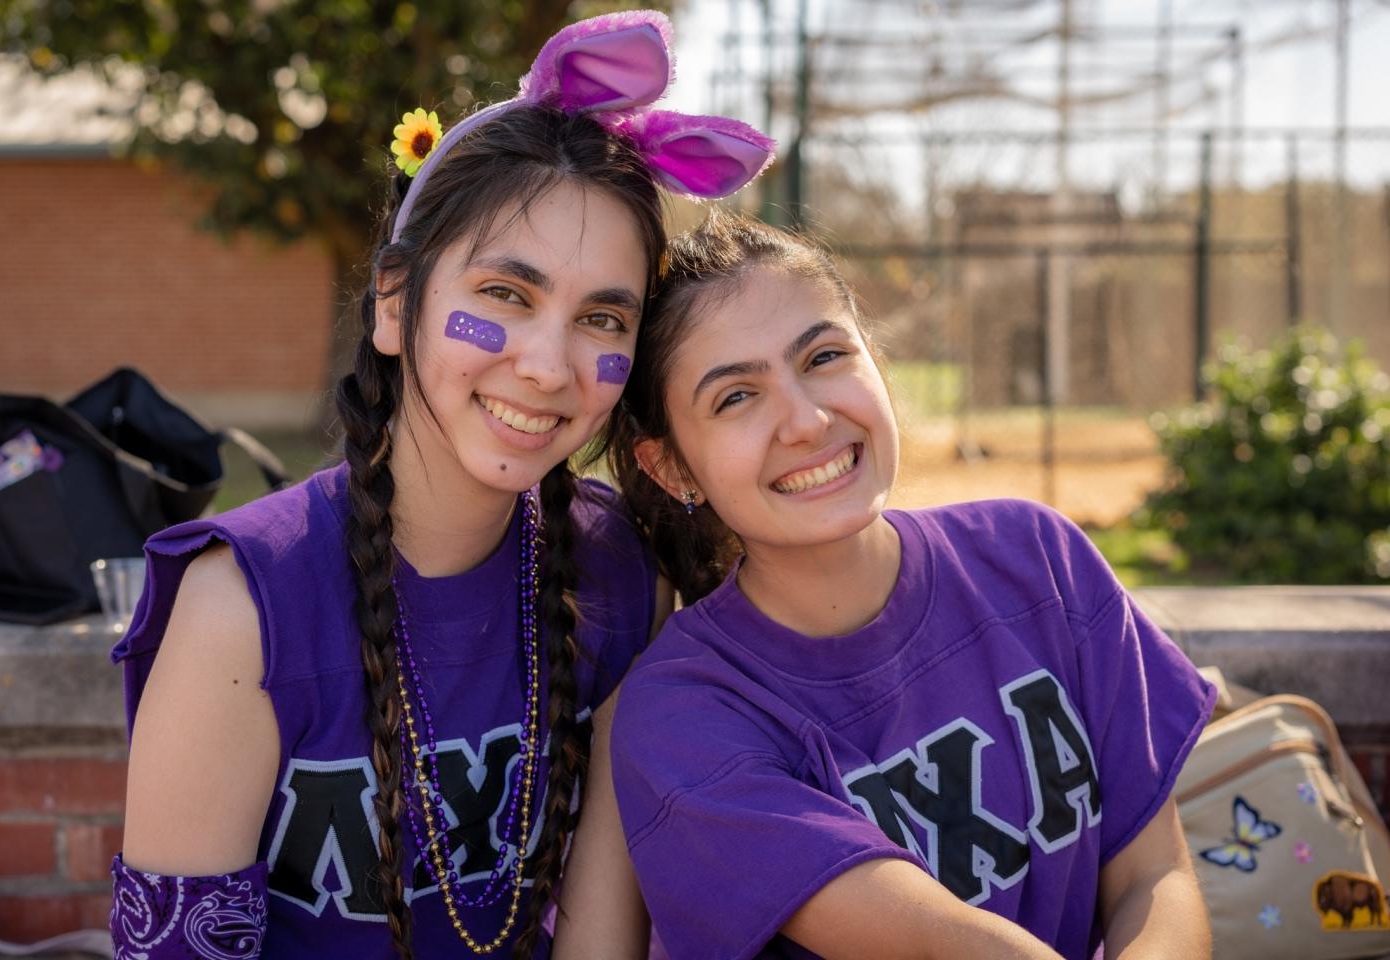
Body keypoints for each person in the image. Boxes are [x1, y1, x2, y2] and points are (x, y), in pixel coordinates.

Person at [108, 14, 772, 959]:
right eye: (506, 294)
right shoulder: (241, 607)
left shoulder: (626, 574)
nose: (548, 365)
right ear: (393, 302)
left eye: (603, 318)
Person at [604, 211, 1216, 960]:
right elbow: (947, 945)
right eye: (736, 397)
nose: (807, 419)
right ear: (672, 468)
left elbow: (1157, 876)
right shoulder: (684, 713)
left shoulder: (1038, 560)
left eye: (825, 356)